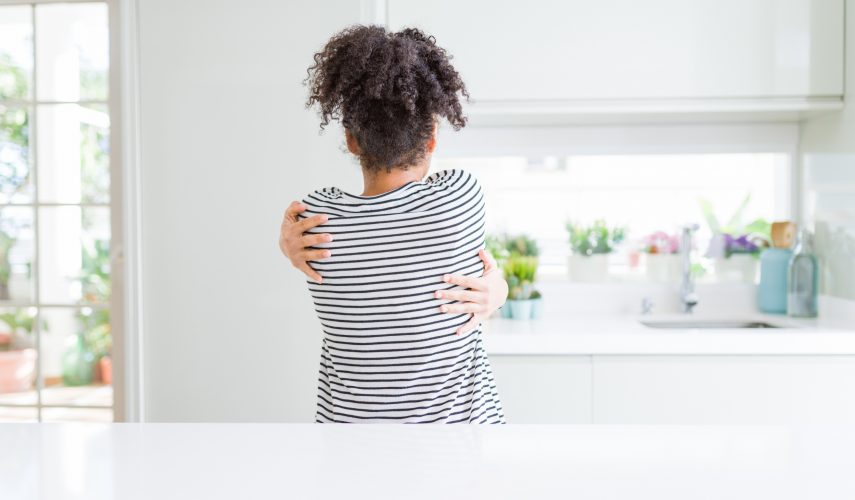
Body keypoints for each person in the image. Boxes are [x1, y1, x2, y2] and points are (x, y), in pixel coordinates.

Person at [279, 25, 507, 423]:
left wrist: (285, 245)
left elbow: (299, 226)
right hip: (461, 447)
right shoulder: (460, 198)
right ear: (431, 137)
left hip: (351, 447)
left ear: (351, 140)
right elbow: (485, 277)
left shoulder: (314, 221)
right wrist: (499, 289)